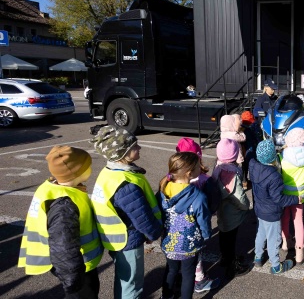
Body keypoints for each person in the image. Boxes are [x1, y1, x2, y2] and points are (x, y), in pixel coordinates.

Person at [18, 146, 103, 299]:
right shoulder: (64, 204)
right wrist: (73, 280)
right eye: (87, 166)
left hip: (77, 264)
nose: (90, 168)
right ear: (76, 172)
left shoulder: (53, 189)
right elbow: (64, 246)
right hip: (77, 267)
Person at [90, 125, 163, 299]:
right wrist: (154, 233)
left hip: (113, 236)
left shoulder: (109, 172)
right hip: (127, 240)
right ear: (122, 154)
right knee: (131, 283)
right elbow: (141, 216)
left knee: (124, 277)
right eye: (134, 146)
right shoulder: (125, 184)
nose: (139, 148)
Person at [157, 152, 216, 299]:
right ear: (190, 173)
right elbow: (204, 221)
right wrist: (206, 235)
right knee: (188, 275)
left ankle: (167, 296)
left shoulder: (163, 191)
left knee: (171, 270)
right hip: (189, 245)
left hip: (168, 242)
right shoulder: (198, 197)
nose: (200, 168)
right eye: (198, 167)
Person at [175, 138, 222, 293]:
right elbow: (213, 200)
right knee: (197, 252)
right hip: (196, 223)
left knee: (181, 248)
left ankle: (183, 273)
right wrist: (210, 212)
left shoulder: (173, 178)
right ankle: (199, 279)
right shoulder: (205, 180)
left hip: (177, 222)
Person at [249, 140, 301, 274]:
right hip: (271, 213)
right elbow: (279, 199)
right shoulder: (274, 176)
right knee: (274, 239)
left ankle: (258, 257)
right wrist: (296, 199)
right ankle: (276, 266)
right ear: (273, 158)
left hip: (260, 209)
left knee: (261, 234)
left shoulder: (253, 165)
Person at [212, 138, 252, 280]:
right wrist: (246, 206)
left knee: (223, 236)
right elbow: (239, 196)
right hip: (232, 213)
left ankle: (225, 258)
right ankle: (232, 266)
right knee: (231, 239)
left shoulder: (217, 168)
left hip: (221, 211)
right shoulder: (233, 173)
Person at [280, 127, 304, 265]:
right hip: (300, 194)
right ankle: (300, 252)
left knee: (285, 217)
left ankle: (285, 242)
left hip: (284, 194)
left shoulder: (283, 156)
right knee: (298, 221)